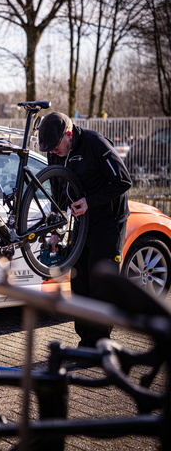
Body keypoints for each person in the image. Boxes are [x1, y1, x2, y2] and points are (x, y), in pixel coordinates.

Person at [38, 112, 132, 347]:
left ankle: (99, 344)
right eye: (48, 149)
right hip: (82, 224)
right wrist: (55, 229)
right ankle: (85, 342)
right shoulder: (55, 153)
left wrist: (90, 201)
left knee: (100, 285)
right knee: (79, 284)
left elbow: (123, 181)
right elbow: (58, 193)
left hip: (108, 223)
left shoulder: (95, 144)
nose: (52, 152)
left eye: (55, 146)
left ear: (69, 135)